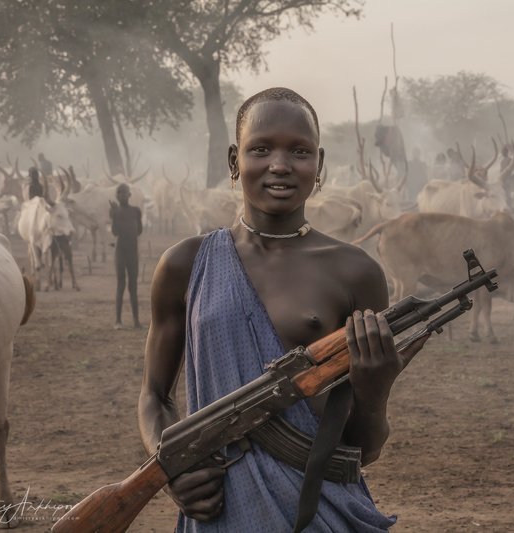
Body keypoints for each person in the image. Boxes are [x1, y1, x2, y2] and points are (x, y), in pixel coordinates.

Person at [138, 87, 430, 532]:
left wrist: (375, 393)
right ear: (235, 162)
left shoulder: (356, 272)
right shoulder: (185, 264)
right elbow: (155, 397)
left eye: (299, 151)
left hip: (319, 511)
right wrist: (171, 468)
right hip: (219, 509)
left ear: (320, 164)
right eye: (261, 149)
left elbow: (362, 449)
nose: (280, 164)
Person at [110, 183, 143, 329]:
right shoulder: (115, 212)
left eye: (125, 193)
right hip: (121, 252)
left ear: (129, 195)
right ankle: (118, 321)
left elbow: (139, 230)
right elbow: (115, 232)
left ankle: (136, 321)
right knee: (121, 285)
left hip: (132, 252)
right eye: (119, 193)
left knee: (133, 287)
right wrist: (114, 216)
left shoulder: (136, 211)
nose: (122, 195)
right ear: (116, 196)